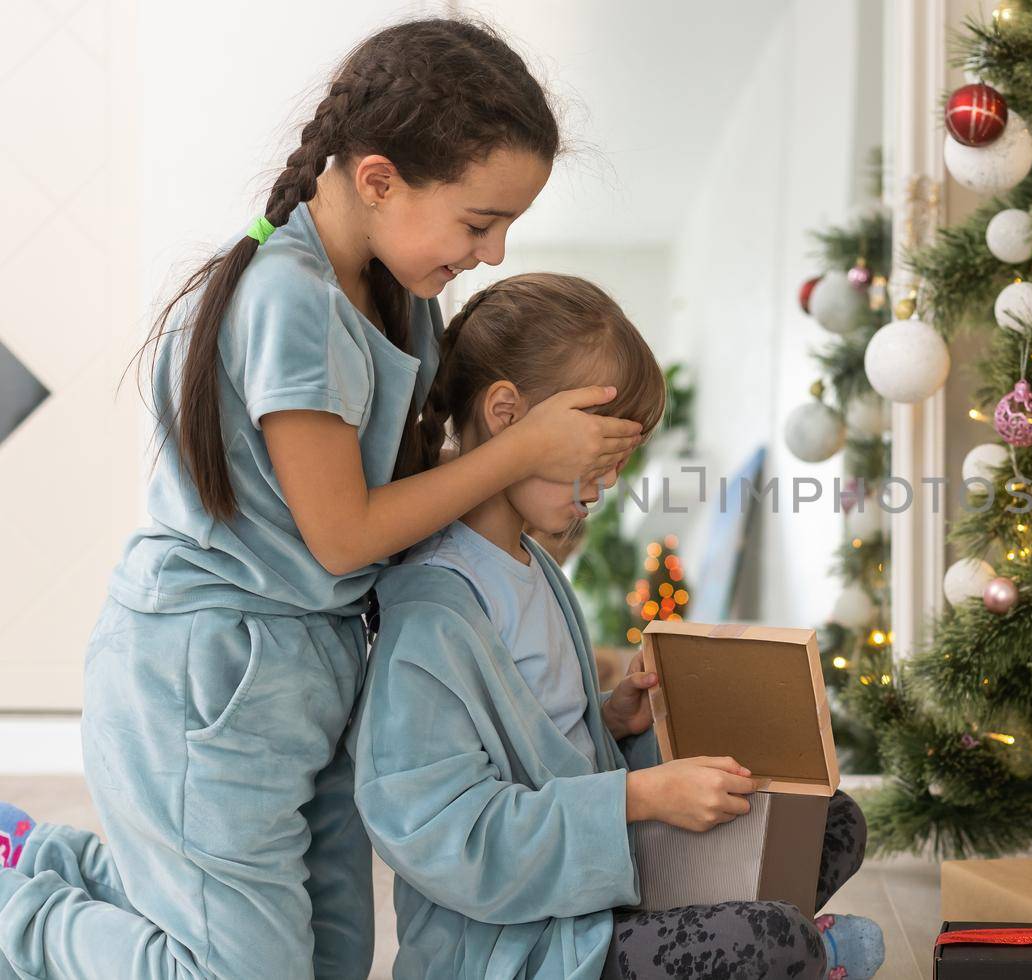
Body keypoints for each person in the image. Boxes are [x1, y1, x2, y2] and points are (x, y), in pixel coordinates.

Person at [0, 20, 641, 980]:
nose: (498, 252)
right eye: (479, 222)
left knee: (336, 959)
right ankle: (29, 904)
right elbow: (343, 538)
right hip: (211, 678)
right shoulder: (290, 300)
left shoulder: (399, 296)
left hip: (317, 673)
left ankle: (124, 865)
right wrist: (522, 452)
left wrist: (577, 671)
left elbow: (424, 546)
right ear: (378, 179)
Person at [355, 273, 884, 979]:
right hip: (522, 948)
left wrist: (612, 720)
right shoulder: (433, 612)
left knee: (832, 817)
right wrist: (638, 796)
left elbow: (541, 748)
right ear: (509, 415)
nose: (604, 487)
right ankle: (791, 947)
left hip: (600, 893)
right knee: (773, 940)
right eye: (597, 458)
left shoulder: (537, 570)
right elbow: (446, 835)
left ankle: (777, 941)